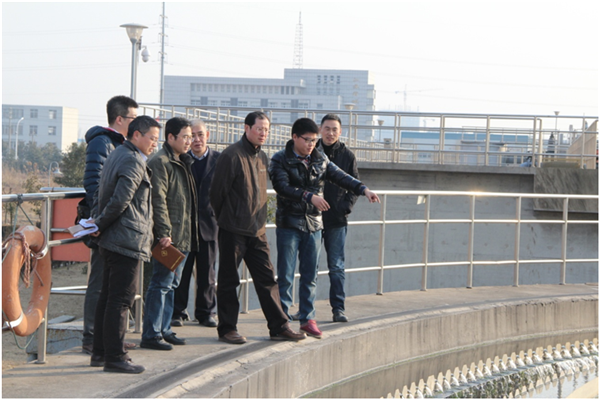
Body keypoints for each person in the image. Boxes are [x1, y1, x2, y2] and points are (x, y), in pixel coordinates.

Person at [269, 117, 380, 338]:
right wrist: (309, 196)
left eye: (314, 140)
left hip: (314, 224)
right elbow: (282, 187)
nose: (311, 144)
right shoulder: (280, 159)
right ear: (294, 137)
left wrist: (363, 189)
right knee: (286, 275)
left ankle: (308, 319)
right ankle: (282, 323)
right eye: (307, 140)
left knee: (310, 276)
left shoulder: (320, 158)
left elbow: (342, 176)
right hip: (289, 224)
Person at [209, 111, 306, 344]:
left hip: (257, 230)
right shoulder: (231, 156)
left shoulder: (262, 157)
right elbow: (216, 194)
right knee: (229, 281)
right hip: (233, 229)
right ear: (247, 128)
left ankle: (279, 326)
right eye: (259, 129)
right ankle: (227, 329)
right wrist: (227, 219)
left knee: (268, 280)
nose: (263, 133)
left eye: (267, 130)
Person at [90, 115, 160, 374]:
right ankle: (115, 357)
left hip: (114, 238)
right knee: (120, 300)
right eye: (152, 138)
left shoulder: (117, 154)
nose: (154, 143)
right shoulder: (132, 160)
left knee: (107, 298)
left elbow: (102, 195)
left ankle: (100, 352)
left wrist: (99, 224)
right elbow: (121, 200)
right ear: (137, 135)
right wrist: (99, 224)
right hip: (126, 240)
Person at [81, 95, 138, 355]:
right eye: (133, 118)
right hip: (105, 223)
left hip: (117, 222)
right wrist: (100, 220)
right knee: (100, 282)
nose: (136, 124)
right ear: (119, 119)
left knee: (114, 285)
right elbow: (94, 183)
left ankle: (112, 337)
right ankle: (92, 338)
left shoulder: (121, 144)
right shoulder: (102, 142)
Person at [141, 117, 199, 351]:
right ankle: (152, 333)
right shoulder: (161, 162)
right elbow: (159, 200)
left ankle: (164, 330)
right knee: (161, 283)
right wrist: (164, 232)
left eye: (191, 137)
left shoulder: (181, 160)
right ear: (171, 137)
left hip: (182, 234)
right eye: (185, 137)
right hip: (168, 237)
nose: (189, 141)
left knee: (172, 283)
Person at [172, 119, 220, 328]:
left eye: (200, 135)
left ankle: (206, 312)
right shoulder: (180, 160)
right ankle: (177, 312)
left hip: (209, 224)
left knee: (207, 273)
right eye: (192, 136)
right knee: (180, 272)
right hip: (184, 226)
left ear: (207, 136)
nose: (197, 139)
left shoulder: (220, 160)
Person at [316, 114, 359, 323]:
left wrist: (344, 208)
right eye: (327, 128)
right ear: (320, 129)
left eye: (334, 129)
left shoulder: (347, 156)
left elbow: (355, 185)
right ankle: (306, 310)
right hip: (313, 218)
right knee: (310, 267)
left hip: (336, 220)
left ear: (340, 132)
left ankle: (338, 309)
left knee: (336, 266)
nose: (330, 133)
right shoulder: (311, 151)